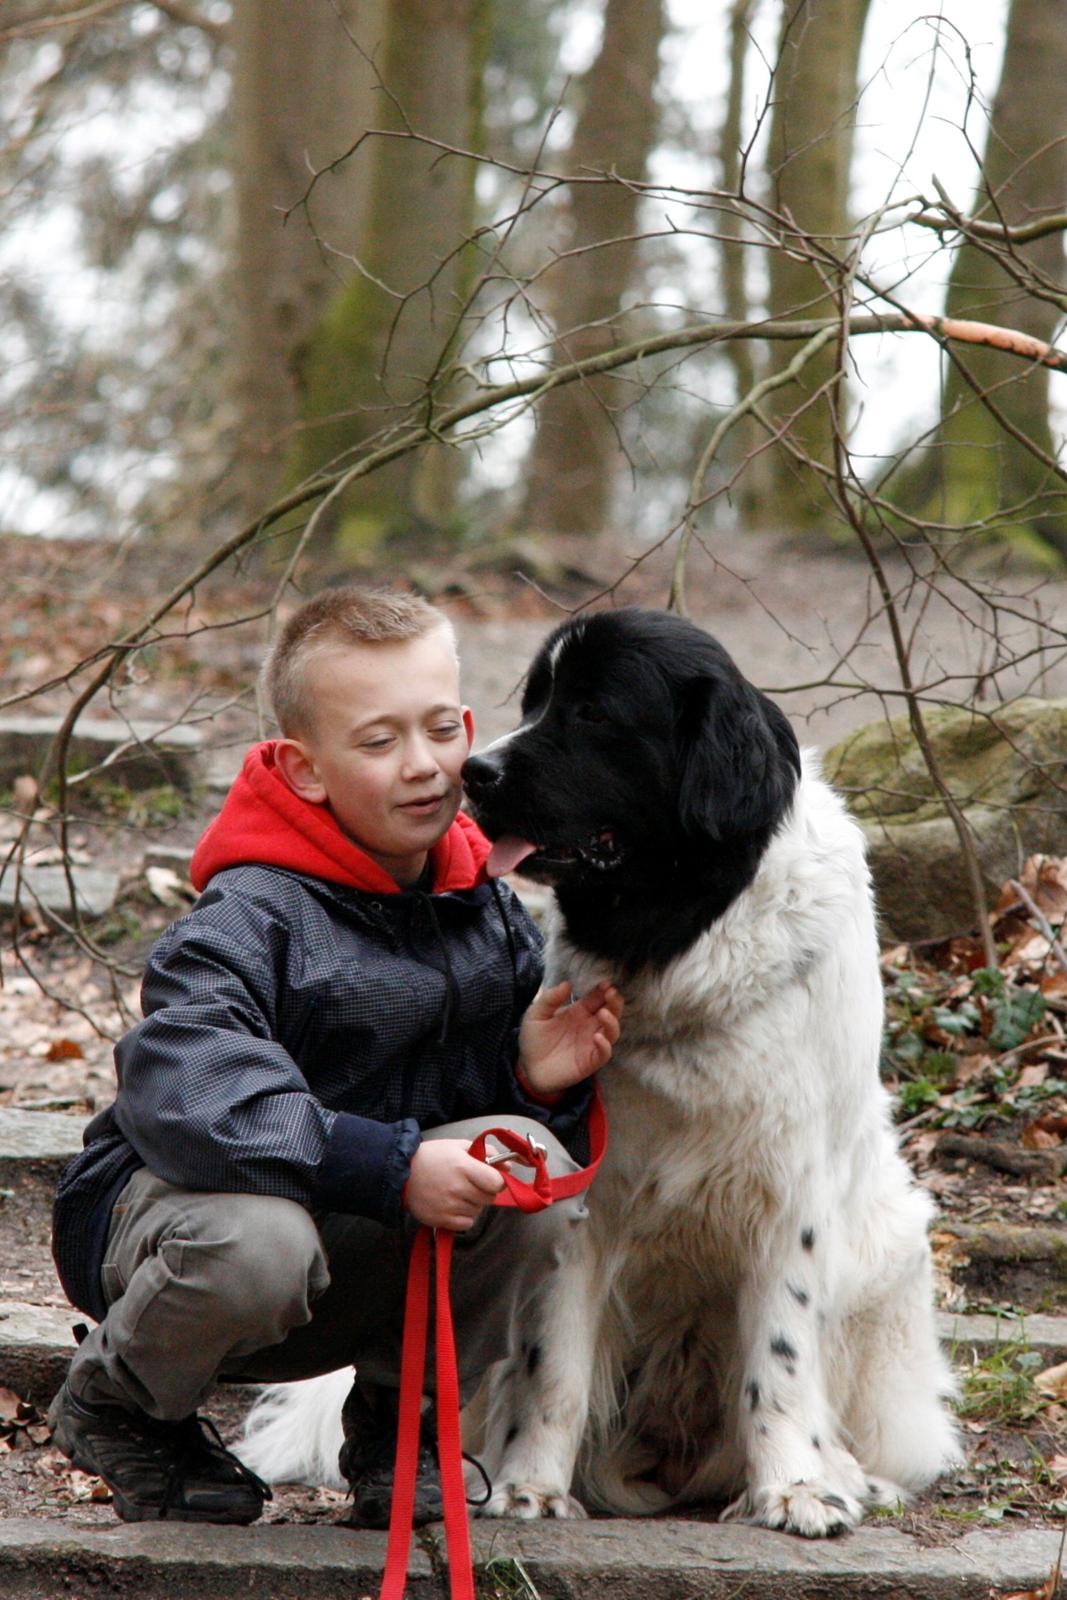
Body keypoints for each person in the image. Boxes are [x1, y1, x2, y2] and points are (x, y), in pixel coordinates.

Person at [48, 585, 621, 1527]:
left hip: (346, 1239)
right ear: (302, 769)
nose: (425, 767)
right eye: (378, 741)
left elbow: (448, 1115)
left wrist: (525, 1076)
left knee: (522, 1155)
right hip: (178, 1236)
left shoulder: (485, 909)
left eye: (440, 729)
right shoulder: (246, 916)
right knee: (258, 1240)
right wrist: (394, 1168)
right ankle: (121, 1405)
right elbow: (198, 1096)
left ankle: (406, 1428)